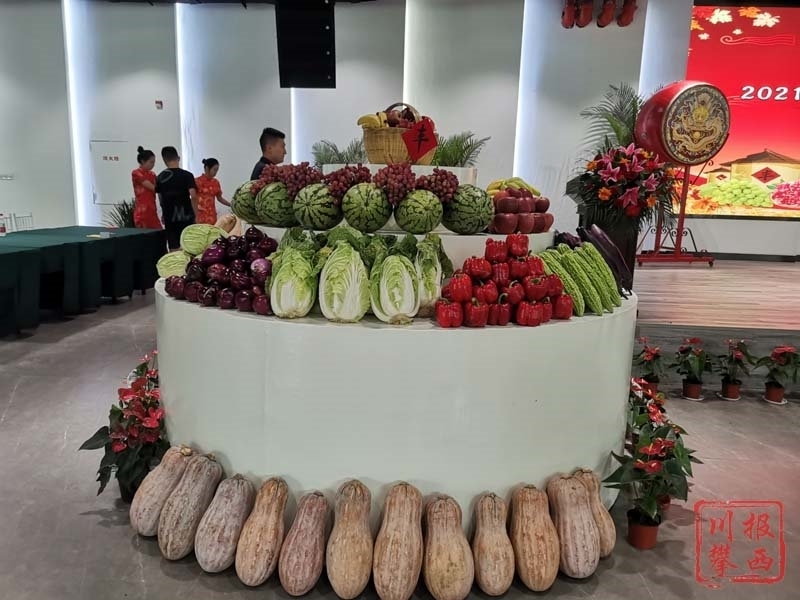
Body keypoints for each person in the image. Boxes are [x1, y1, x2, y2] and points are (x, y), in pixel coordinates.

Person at [155, 146, 198, 250]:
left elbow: (160, 196)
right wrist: (196, 214)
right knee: (189, 247)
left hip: (169, 216)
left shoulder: (160, 177)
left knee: (173, 248)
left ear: (164, 160)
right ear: (178, 158)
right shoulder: (187, 175)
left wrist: (164, 213)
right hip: (186, 215)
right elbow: (193, 195)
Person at [131, 147, 161, 229]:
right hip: (142, 211)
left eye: (154, 162)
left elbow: (158, 186)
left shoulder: (152, 174)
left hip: (152, 209)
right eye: (151, 162)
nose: (153, 164)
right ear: (143, 161)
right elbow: (153, 187)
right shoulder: (136, 173)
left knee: (158, 233)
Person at [194, 158, 231, 225]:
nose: (216, 172)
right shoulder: (196, 181)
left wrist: (231, 205)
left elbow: (220, 198)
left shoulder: (216, 182)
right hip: (199, 216)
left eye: (217, 170)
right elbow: (192, 198)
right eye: (214, 170)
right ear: (207, 168)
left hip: (212, 216)